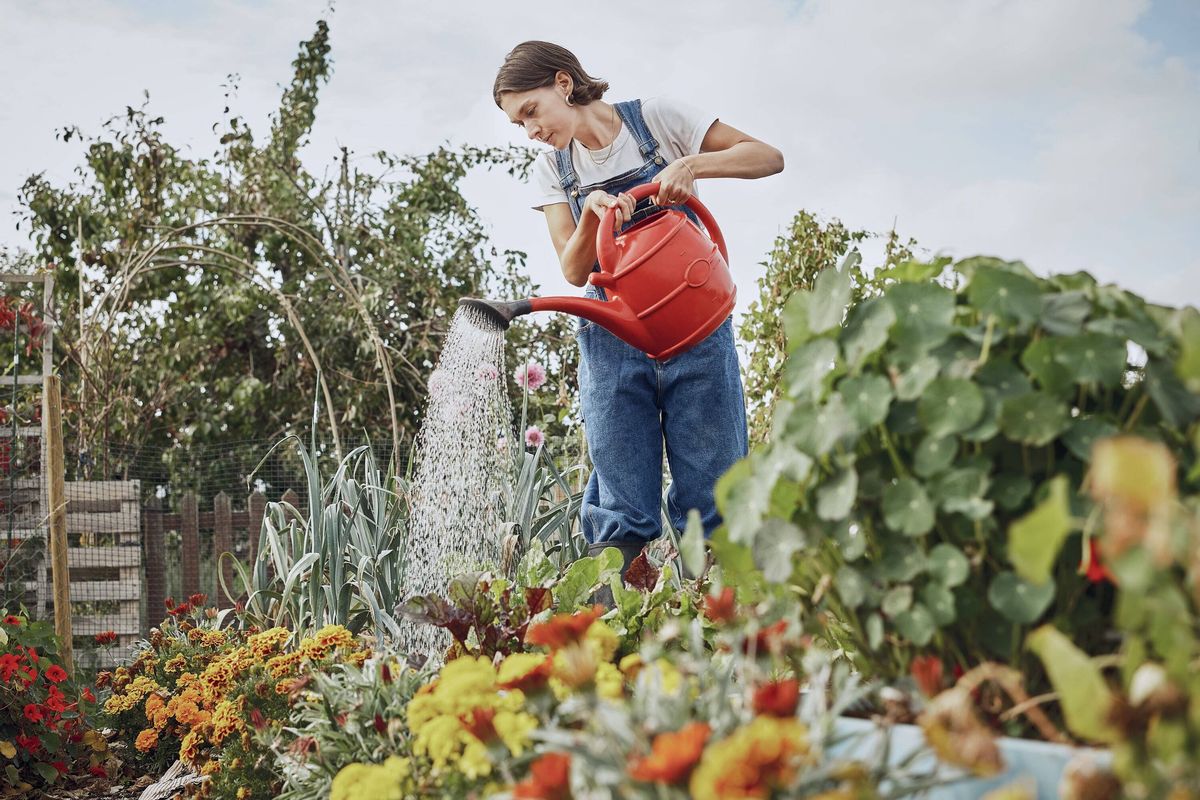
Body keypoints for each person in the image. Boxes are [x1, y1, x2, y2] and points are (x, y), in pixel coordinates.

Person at [493, 41, 784, 587]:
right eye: (518, 124)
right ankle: (622, 639)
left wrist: (692, 164)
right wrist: (590, 219)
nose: (530, 130)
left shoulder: (655, 121)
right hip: (613, 341)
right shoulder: (553, 170)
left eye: (530, 112)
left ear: (562, 82)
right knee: (621, 496)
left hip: (694, 326)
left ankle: (722, 634)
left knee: (714, 490)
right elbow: (574, 272)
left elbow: (768, 156)